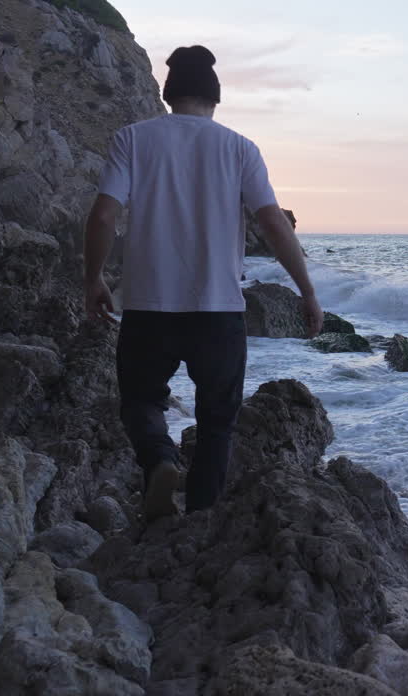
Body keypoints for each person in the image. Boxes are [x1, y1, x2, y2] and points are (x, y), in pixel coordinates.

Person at [82, 44, 323, 519]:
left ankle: (160, 461)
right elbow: (274, 224)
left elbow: (104, 215)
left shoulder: (132, 139)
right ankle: (201, 520)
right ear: (214, 97)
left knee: (140, 403)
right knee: (217, 421)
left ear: (169, 94)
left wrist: (93, 278)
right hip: (218, 311)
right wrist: (307, 290)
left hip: (148, 307)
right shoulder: (240, 148)